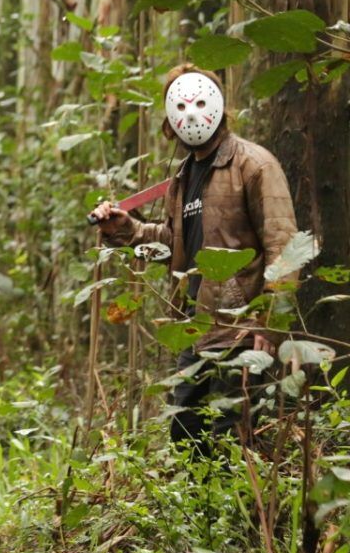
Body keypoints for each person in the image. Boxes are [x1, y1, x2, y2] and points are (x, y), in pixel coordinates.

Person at [91, 64, 298, 456]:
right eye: (181, 106)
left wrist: (267, 326)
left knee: (233, 442)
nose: (191, 114)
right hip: (195, 329)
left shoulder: (253, 165)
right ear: (169, 121)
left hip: (239, 333)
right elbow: (174, 243)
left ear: (219, 104)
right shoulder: (183, 177)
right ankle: (197, 517)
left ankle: (248, 517)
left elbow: (284, 247)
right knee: (186, 437)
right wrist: (127, 229)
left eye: (200, 102)